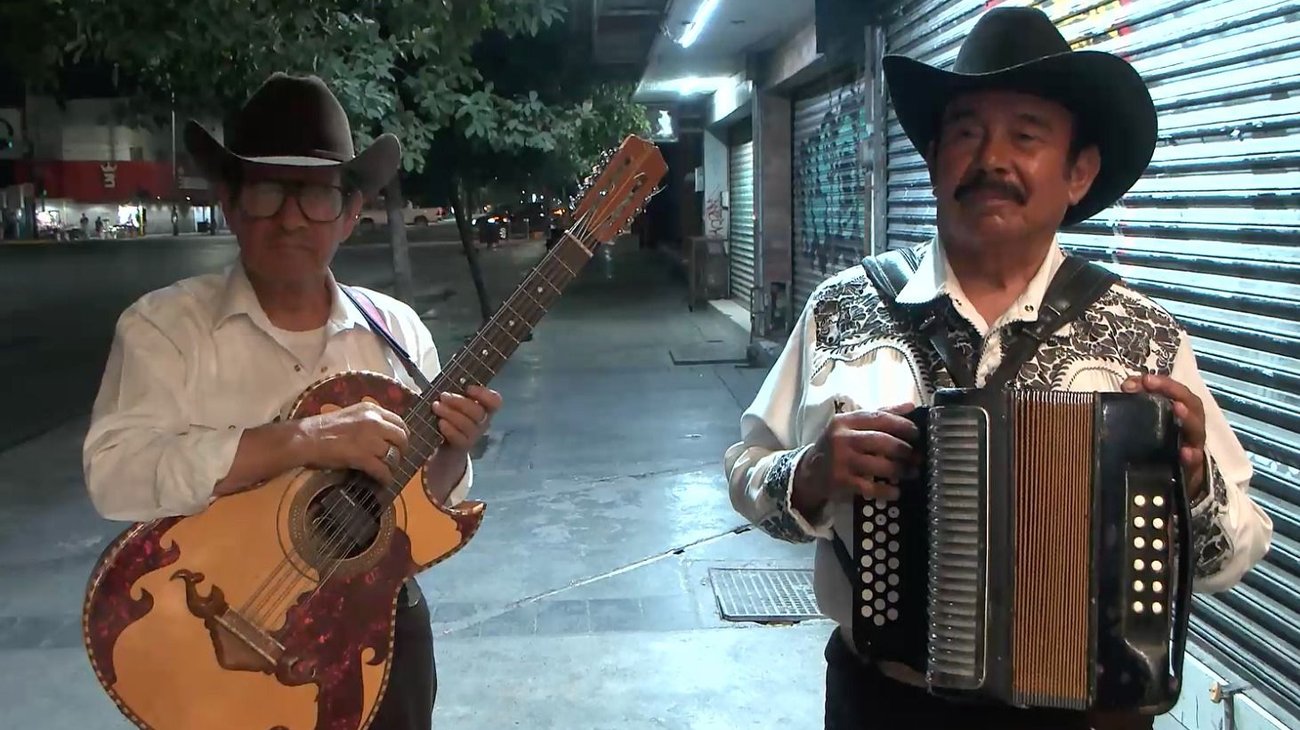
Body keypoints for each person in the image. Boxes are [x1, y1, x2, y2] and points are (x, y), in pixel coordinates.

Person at [723, 7, 1273, 730]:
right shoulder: (844, 308)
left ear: (1078, 174)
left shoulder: (1143, 337)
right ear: (934, 157)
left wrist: (1193, 486)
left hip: (1087, 713)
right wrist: (808, 474)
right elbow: (745, 471)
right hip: (885, 702)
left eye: (1026, 135)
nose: (992, 161)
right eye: (966, 132)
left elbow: (1230, 558)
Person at [82, 72, 501, 730]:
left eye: (316, 196)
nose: (290, 218)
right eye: (268, 189)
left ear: (350, 213)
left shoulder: (396, 333)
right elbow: (115, 478)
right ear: (229, 203)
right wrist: (300, 441)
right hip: (208, 634)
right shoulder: (165, 329)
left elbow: (423, 510)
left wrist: (451, 452)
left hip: (367, 641)